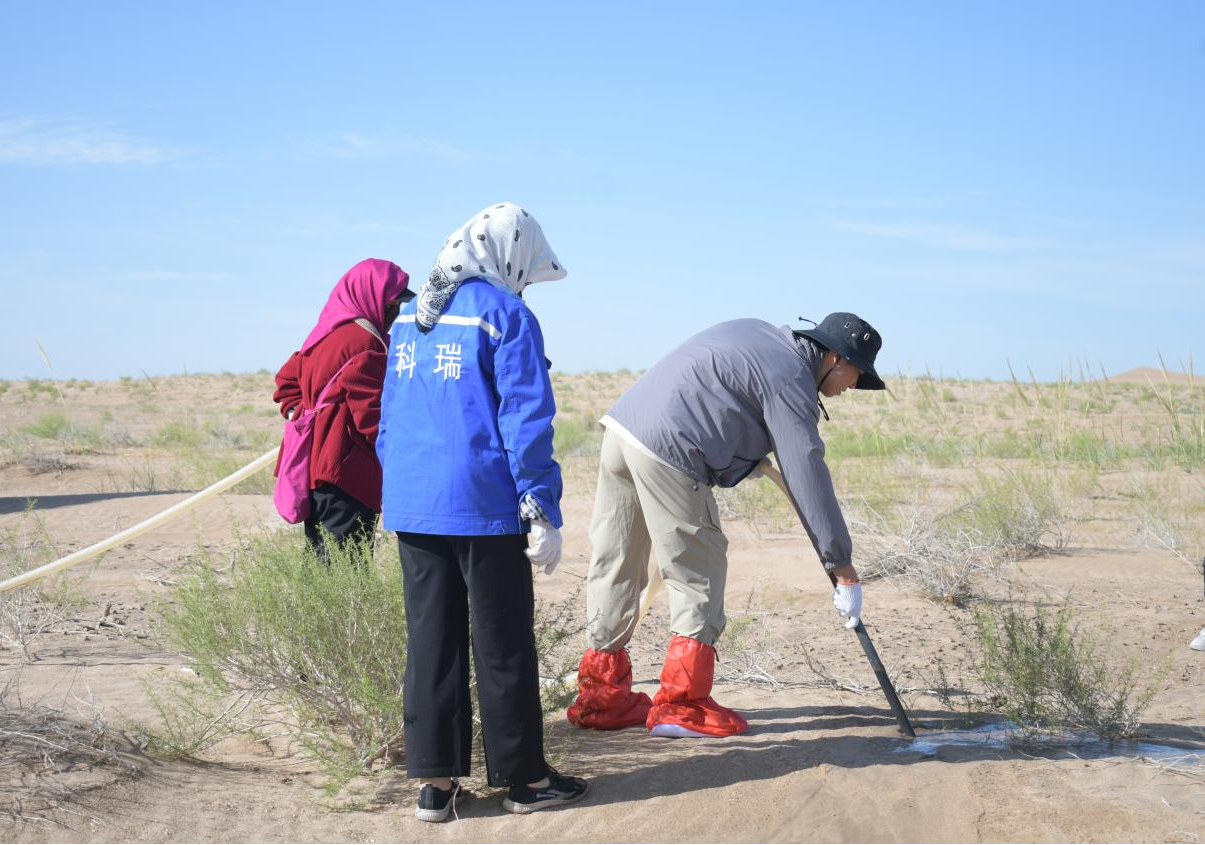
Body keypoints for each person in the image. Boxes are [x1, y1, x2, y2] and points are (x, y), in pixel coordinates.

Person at [567, 312, 885, 738]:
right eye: (856, 374)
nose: (851, 387)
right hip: (670, 448)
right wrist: (841, 566)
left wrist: (742, 453)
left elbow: (716, 392)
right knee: (699, 572)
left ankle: (601, 697)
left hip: (622, 432)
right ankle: (682, 705)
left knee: (616, 561)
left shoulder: (761, 335)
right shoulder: (792, 376)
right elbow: (806, 469)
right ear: (833, 356)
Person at [377, 203, 588, 821]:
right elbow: (525, 419)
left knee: (431, 644)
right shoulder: (506, 315)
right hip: (482, 506)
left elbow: (389, 421)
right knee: (502, 645)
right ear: (510, 253)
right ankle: (524, 782)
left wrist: (403, 488)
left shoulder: (408, 318)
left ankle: (435, 787)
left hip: (414, 506)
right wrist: (540, 508)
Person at [272, 258, 410, 558]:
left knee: (320, 557)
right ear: (371, 296)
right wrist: (405, 458)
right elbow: (372, 417)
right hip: (347, 472)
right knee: (347, 567)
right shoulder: (365, 342)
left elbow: (286, 381)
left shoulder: (323, 333)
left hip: (313, 468)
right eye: (392, 303)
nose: (395, 313)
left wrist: (309, 414)